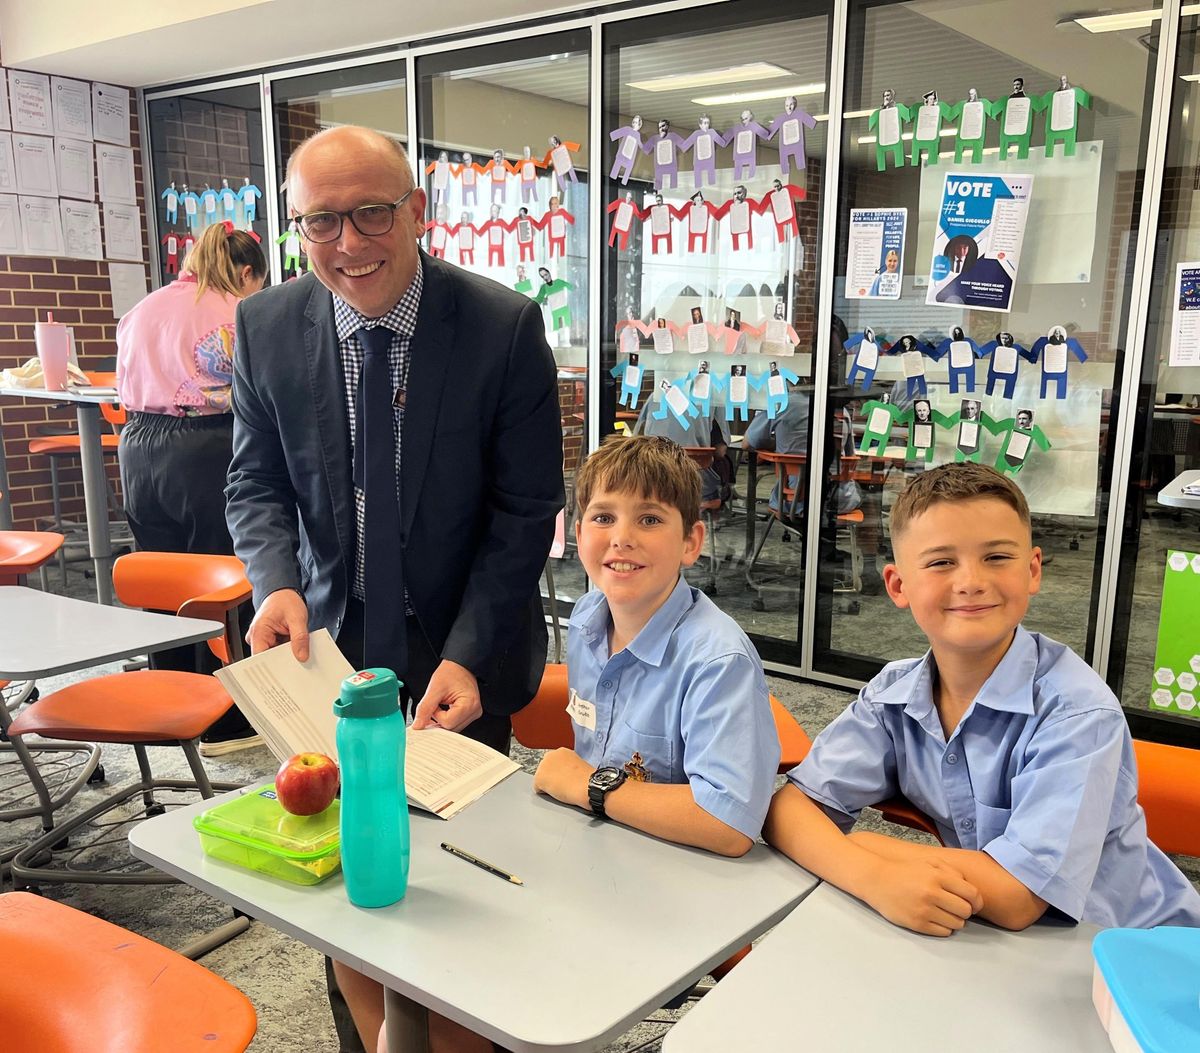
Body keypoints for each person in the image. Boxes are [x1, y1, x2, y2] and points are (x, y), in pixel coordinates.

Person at [224, 125, 563, 1053]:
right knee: (344, 878)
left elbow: (525, 511)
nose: (348, 242)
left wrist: (472, 651)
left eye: (372, 212)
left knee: (460, 881)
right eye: (321, 221)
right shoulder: (265, 325)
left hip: (461, 645)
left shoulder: (501, 327)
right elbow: (254, 481)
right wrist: (276, 582)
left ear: (417, 210)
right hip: (324, 652)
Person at [764, 463, 1200, 935]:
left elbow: (1018, 896)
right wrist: (872, 875)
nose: (971, 581)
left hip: (1135, 951)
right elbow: (788, 811)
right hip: (999, 942)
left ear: (1032, 571)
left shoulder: (1076, 712)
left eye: (996, 557)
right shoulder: (893, 698)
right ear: (898, 586)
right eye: (940, 562)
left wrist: (870, 847)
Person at [534, 434, 779, 854]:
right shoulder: (587, 620)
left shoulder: (718, 661)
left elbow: (727, 824)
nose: (621, 537)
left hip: (677, 865)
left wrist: (588, 786)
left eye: (649, 519)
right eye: (603, 517)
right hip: (597, 844)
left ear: (690, 543)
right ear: (578, 533)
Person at [116, 221, 267, 754]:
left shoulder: (143, 309)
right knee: (223, 580)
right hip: (207, 444)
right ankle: (226, 719)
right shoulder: (239, 311)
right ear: (246, 273)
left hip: (138, 446)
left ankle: (169, 706)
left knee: (163, 578)